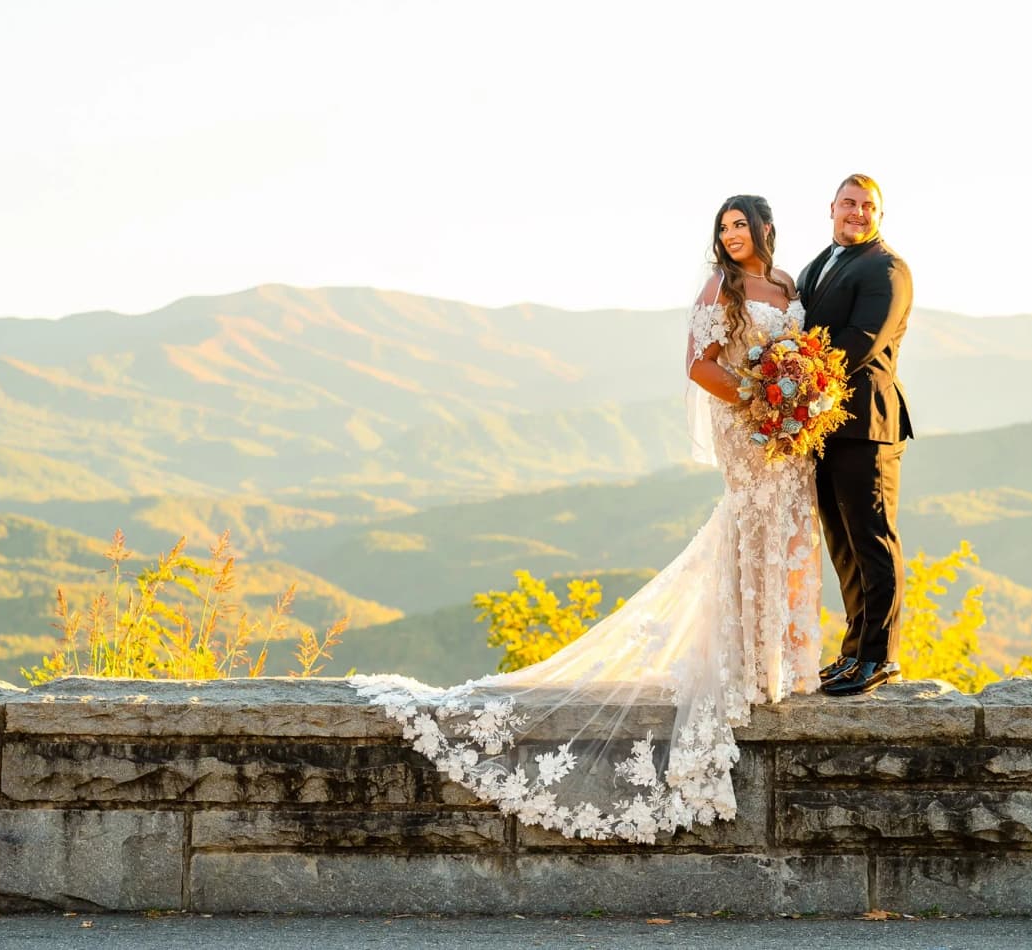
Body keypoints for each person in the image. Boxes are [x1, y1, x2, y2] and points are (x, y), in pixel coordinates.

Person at [347, 194, 823, 843]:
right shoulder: (722, 284)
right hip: (746, 424)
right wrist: (758, 397)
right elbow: (698, 364)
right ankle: (746, 662)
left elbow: (800, 354)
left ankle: (784, 661)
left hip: (788, 431)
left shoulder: (789, 284)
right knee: (750, 525)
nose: (732, 235)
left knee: (790, 533)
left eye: (741, 225)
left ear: (766, 228)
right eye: (724, 227)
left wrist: (796, 396)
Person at [797, 173, 914, 697]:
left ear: (879, 215)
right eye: (849, 203)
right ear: (832, 208)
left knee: (872, 540)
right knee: (841, 544)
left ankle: (879, 657)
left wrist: (790, 375)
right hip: (824, 426)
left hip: (867, 424)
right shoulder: (818, 264)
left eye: (868, 206)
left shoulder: (887, 269)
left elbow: (859, 342)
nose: (858, 213)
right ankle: (852, 653)